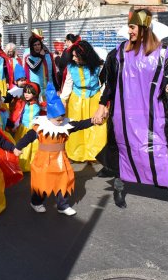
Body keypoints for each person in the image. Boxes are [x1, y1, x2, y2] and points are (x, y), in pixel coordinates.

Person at [93, 8, 168, 221]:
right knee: (125, 152)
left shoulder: (163, 55)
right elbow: (110, 84)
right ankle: (119, 188)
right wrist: (101, 105)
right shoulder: (118, 55)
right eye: (130, 27)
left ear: (144, 29)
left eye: (133, 27)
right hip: (123, 116)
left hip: (153, 117)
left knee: (162, 155)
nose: (129, 31)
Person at [14, 83, 101, 216]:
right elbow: (28, 137)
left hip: (61, 159)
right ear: (49, 116)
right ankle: (36, 202)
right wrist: (18, 147)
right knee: (41, 183)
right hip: (43, 161)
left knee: (64, 181)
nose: (61, 122)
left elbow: (80, 124)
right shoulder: (40, 127)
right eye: (58, 120)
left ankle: (63, 205)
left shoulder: (66, 125)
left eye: (62, 119)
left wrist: (92, 121)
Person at [60, 39, 107, 163]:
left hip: (94, 98)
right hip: (76, 99)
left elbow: (104, 84)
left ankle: (96, 153)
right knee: (76, 126)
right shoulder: (71, 66)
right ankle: (76, 153)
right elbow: (68, 83)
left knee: (97, 125)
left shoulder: (99, 66)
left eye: (76, 56)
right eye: (73, 56)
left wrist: (104, 103)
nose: (74, 58)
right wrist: (63, 99)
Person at [8, 81, 42, 172]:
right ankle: (22, 164)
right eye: (25, 92)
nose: (26, 94)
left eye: (29, 92)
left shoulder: (36, 105)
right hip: (23, 127)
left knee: (31, 147)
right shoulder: (24, 103)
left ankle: (30, 164)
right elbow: (18, 114)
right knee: (23, 145)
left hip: (32, 129)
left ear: (35, 94)